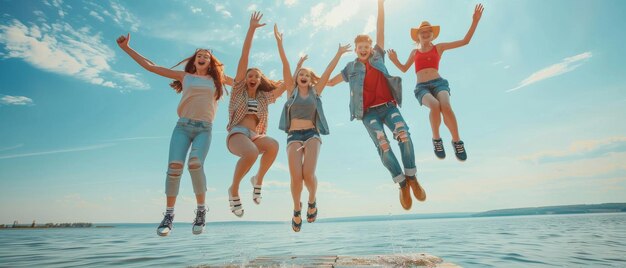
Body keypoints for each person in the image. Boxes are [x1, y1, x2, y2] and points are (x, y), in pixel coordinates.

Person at [116, 34, 225, 236]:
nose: (202, 57)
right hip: (182, 127)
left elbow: (247, 81)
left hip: (205, 129)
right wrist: (127, 48)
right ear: (195, 60)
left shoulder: (217, 80)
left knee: (195, 164)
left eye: (206, 56)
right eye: (199, 55)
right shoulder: (185, 77)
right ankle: (169, 215)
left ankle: (201, 212)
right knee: (174, 167)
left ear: (210, 63)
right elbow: (151, 66)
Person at [326, 0, 426, 210]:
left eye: (366, 47)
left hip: (389, 107)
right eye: (359, 48)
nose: (363, 50)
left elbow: (380, 27)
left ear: (371, 48)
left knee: (403, 134)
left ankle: (412, 177)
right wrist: (309, 76)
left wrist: (380, 4)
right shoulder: (350, 67)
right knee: (382, 143)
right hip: (368, 114)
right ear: (355, 50)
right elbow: (330, 82)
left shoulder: (378, 55)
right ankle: (402, 184)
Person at [273, 24, 351, 231]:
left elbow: (327, 72)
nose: (303, 75)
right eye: (300, 73)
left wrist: (338, 53)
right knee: (295, 176)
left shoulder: (316, 91)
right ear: (297, 78)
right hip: (293, 136)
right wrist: (279, 43)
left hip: (312, 135)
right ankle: (296, 210)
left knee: (309, 174)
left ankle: (312, 201)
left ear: (309, 78)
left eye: (306, 73)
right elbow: (285, 65)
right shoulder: (290, 92)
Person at [387, 4, 484, 161]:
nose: (425, 34)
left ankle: (457, 141)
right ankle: (437, 139)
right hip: (422, 87)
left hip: (439, 83)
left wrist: (475, 21)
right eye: (422, 32)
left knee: (445, 106)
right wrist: (394, 59)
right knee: (434, 105)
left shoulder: (439, 48)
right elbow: (404, 68)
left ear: (432, 35)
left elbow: (465, 41)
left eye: (428, 32)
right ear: (418, 36)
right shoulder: (414, 52)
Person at [225, 12, 282, 217]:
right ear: (245, 77)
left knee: (273, 145)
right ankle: (234, 190)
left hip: (255, 136)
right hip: (237, 135)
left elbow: (287, 83)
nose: (252, 78)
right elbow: (244, 57)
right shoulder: (238, 91)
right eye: (250, 75)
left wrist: (281, 47)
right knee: (249, 153)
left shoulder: (263, 98)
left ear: (259, 80)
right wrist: (251, 29)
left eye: (256, 76)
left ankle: (258, 179)